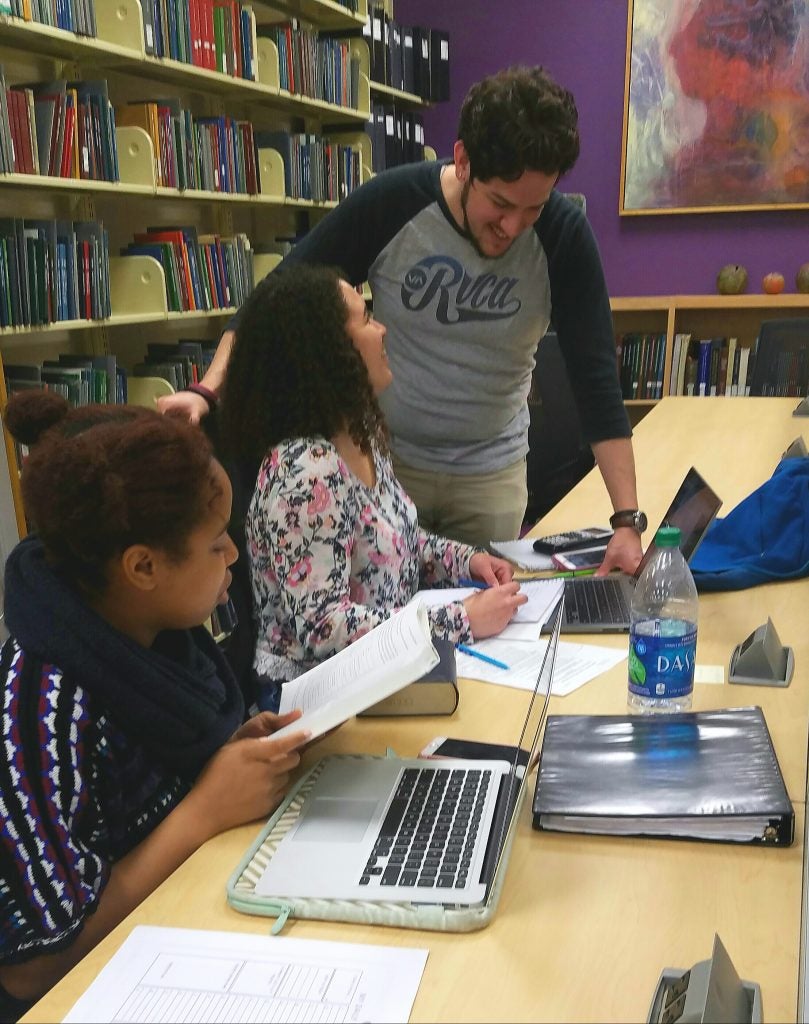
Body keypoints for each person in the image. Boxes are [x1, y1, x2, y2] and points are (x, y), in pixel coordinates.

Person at [159, 65, 644, 573]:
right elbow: (274, 303)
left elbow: (595, 379)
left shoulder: (564, 237)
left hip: (489, 475)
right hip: (385, 467)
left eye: (533, 209)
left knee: (485, 622)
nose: (512, 227)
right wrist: (207, 391)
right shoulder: (393, 202)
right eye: (500, 203)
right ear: (463, 161)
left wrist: (626, 520)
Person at [0, 393, 309, 1021]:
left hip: (180, 927)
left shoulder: (156, 629)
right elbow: (30, 967)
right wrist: (203, 810)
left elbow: (161, 779)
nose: (234, 556)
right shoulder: (40, 710)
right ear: (142, 566)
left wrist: (228, 754)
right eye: (215, 544)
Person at [218, 264, 526, 695]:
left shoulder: (359, 436)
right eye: (364, 319)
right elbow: (320, 626)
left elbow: (398, 543)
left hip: (381, 674)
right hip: (319, 701)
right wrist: (460, 619)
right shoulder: (304, 471)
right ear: (326, 351)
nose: (381, 330)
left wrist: (466, 561)